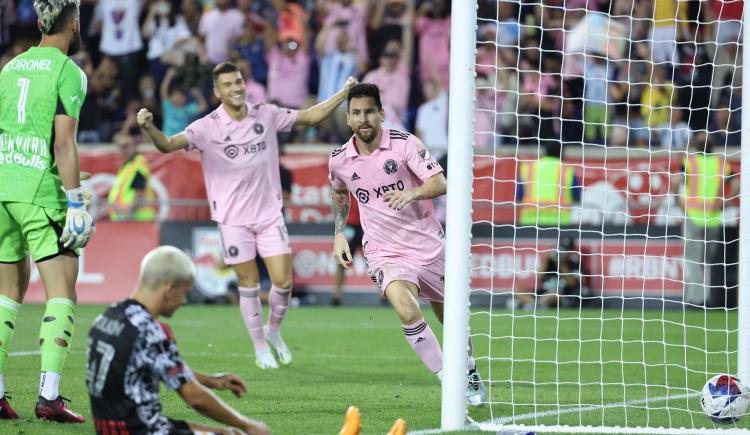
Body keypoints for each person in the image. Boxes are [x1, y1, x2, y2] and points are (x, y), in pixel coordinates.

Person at [137, 62, 357, 369]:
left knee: (283, 282)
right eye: (227, 84)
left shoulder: (265, 114)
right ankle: (259, 348)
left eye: (238, 81)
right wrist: (149, 127)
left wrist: (343, 94)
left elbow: (310, 117)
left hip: (269, 214)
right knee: (249, 283)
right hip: (233, 219)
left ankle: (274, 332)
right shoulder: (206, 127)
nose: (235, 88)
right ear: (217, 91)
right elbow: (167, 145)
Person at [329, 83, 485, 405]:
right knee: (406, 308)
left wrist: (411, 193)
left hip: (427, 245)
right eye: (356, 113)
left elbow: (440, 182)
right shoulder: (339, 160)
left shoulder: (404, 145)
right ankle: (448, 380)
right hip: (384, 251)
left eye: (369, 111)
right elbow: (340, 193)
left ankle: (467, 367)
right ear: (348, 119)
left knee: (451, 317)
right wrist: (338, 233)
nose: (364, 119)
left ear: (382, 114)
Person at [0, 0, 94, 422]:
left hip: (4, 187)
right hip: (39, 192)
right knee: (62, 290)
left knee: (6, 296)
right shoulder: (68, 71)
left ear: (40, 22)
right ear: (73, 23)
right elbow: (62, 142)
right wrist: (74, 201)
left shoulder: (10, 68)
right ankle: (49, 397)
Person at [86, 245, 270, 435]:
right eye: (184, 293)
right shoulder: (150, 330)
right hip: (142, 430)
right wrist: (247, 424)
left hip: (112, 429)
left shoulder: (106, 318)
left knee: (226, 433)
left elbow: (150, 364)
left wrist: (210, 380)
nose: (184, 301)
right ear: (170, 289)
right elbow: (194, 397)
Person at [671, 134, 737, 306]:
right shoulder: (722, 163)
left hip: (693, 216)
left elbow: (676, 180)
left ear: (696, 146)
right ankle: (699, 295)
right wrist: (726, 199)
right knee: (704, 260)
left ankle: (696, 300)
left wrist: (677, 198)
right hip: (713, 218)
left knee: (694, 259)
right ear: (713, 146)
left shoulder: (689, 162)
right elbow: (736, 183)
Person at [510, 236, 588, 310]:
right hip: (543, 293)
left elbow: (572, 283)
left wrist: (560, 263)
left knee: (555, 293)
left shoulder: (575, 264)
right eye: (562, 249)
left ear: (571, 251)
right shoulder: (549, 262)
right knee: (516, 290)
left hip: (561, 295)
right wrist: (547, 258)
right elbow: (538, 277)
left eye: (567, 250)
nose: (564, 252)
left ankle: (528, 305)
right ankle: (535, 305)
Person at [517, 142, 581, 227]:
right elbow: (577, 197)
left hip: (530, 223)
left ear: (545, 151)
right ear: (561, 152)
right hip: (558, 224)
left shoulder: (529, 168)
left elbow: (519, 196)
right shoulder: (567, 170)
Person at [108, 133, 156, 221]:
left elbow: (140, 194)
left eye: (126, 146)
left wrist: (126, 212)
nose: (123, 150)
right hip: (129, 219)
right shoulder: (128, 166)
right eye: (121, 147)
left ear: (135, 146)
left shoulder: (138, 165)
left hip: (135, 219)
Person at [331, 198, 363, 306]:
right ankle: (337, 295)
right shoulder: (346, 181)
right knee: (342, 262)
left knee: (375, 261)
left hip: (367, 225)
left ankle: (383, 295)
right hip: (349, 224)